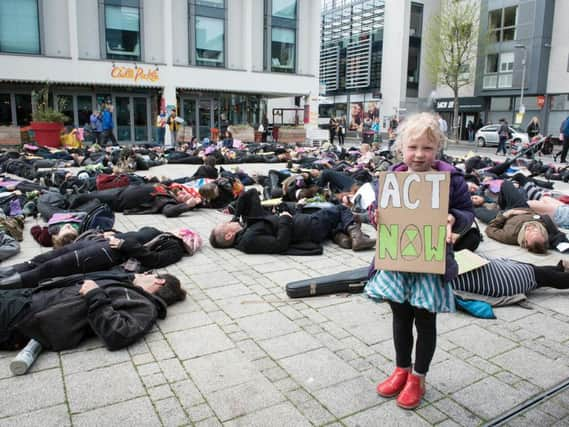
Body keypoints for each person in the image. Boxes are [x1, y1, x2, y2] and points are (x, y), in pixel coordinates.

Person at [364, 112, 474, 410]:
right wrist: (375, 215)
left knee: (425, 320)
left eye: (427, 148)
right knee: (400, 317)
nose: (419, 154)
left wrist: (454, 219)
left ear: (437, 148)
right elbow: (375, 210)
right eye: (413, 147)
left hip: (431, 264)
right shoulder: (392, 178)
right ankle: (401, 369)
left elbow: (467, 213)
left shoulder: (451, 180)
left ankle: (418, 377)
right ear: (401, 148)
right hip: (397, 263)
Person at [0, 271, 186, 351]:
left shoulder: (146, 306)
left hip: (24, 316)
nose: (142, 275)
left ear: (158, 281)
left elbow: (119, 334)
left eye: (148, 275)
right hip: (31, 296)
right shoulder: (131, 288)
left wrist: (95, 295)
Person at [0, 226, 193, 289]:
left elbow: (153, 260)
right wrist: (113, 233)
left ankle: (6, 285)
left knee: (50, 268)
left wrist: (125, 244)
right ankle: (4, 274)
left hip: (109, 254)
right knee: (39, 260)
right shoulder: (162, 233)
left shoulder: (174, 248)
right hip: (100, 244)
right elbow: (135, 235)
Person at [209, 189, 375, 254]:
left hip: (304, 223)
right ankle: (356, 236)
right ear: (230, 234)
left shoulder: (245, 229)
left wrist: (235, 217)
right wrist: (284, 218)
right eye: (227, 224)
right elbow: (280, 244)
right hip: (308, 227)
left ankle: (341, 236)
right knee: (339, 209)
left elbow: (250, 193)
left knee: (331, 217)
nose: (230, 222)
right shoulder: (248, 240)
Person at [485, 207, 569, 254]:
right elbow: (533, 211)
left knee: (478, 210)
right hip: (519, 206)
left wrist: (506, 215)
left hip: (501, 216)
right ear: (543, 233)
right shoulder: (546, 225)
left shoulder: (509, 236)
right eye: (535, 230)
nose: (530, 227)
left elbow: (489, 229)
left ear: (524, 241)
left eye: (528, 232)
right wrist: (523, 211)